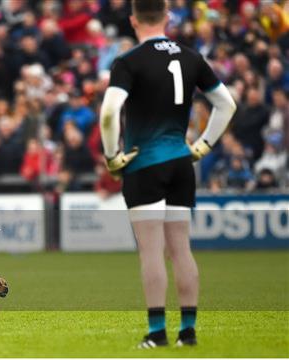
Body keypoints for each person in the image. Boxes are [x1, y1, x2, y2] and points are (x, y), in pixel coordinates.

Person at [99, 0, 236, 348]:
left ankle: (157, 332)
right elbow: (227, 104)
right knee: (181, 250)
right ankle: (187, 332)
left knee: (151, 251)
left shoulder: (128, 61)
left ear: (133, 20)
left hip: (144, 163)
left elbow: (109, 113)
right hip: (180, 161)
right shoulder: (191, 57)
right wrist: (203, 146)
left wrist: (113, 156)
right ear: (167, 17)